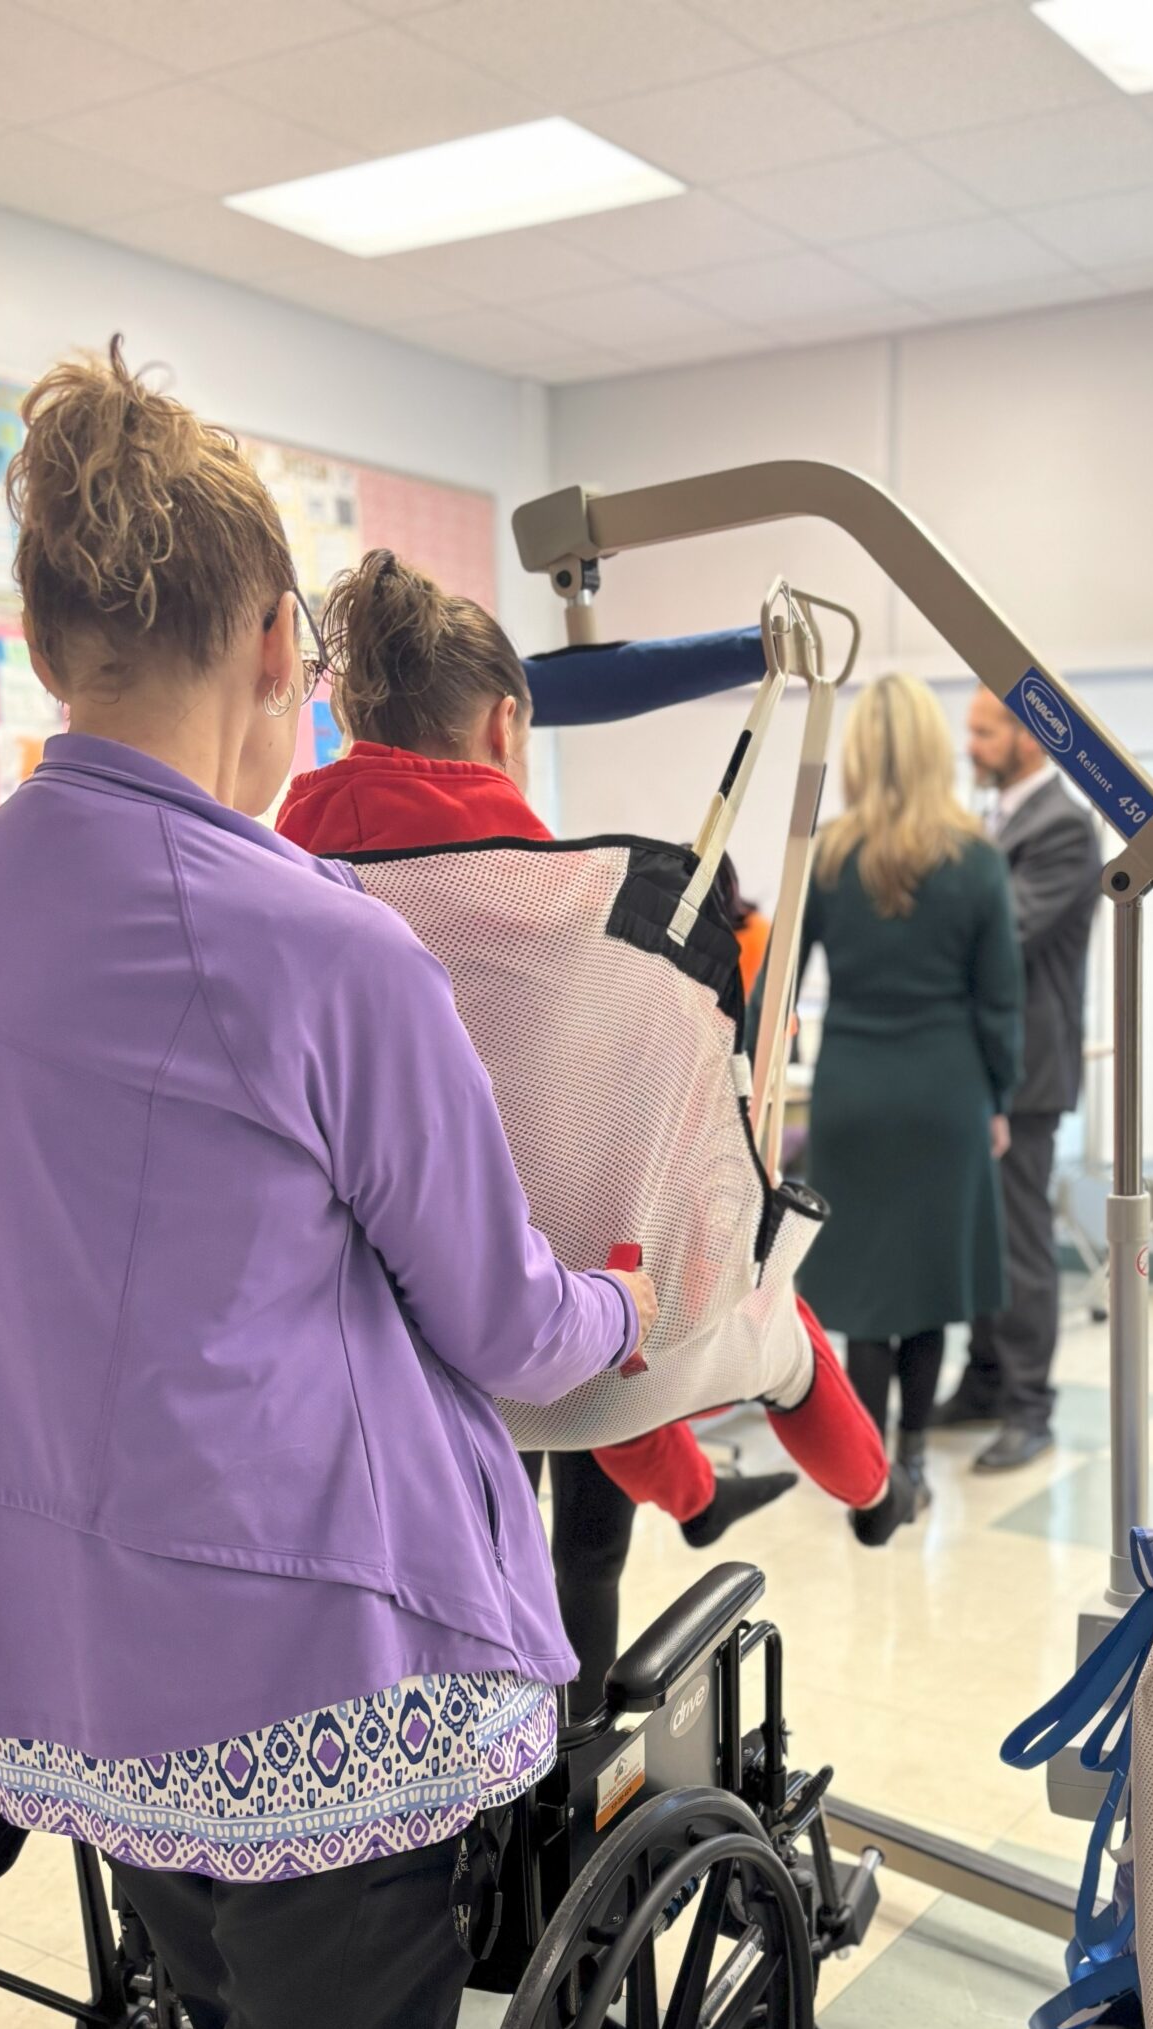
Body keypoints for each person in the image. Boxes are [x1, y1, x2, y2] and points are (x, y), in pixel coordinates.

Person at [0, 343, 658, 2029]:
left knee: (232, 2019)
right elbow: (498, 1321)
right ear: (277, 647)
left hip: (69, 1665)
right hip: (311, 1660)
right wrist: (628, 1304)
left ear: (46, 639)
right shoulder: (323, 950)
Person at [279, 551, 914, 1716]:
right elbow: (692, 1188)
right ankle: (875, 1496)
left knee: (584, 1321)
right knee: (721, 1315)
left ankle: (676, 1521)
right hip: (585, 1339)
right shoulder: (618, 922)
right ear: (507, 725)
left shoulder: (276, 892)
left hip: (373, 1363)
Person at [770, 674, 1023, 1510]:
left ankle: (868, 1465)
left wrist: (756, 1084)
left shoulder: (826, 856)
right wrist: (999, 1097)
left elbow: (778, 985)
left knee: (867, 1292)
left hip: (852, 1093)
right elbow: (1000, 1003)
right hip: (946, 1095)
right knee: (927, 1285)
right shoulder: (977, 860)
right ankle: (914, 1457)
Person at [931, 686, 1101, 1470]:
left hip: (1025, 1074)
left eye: (984, 731)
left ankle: (1030, 1407)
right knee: (979, 1237)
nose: (971, 746)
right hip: (979, 1067)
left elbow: (1004, 933)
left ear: (1031, 737)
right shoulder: (994, 819)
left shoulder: (1062, 825)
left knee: (1020, 1244)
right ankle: (986, 1381)